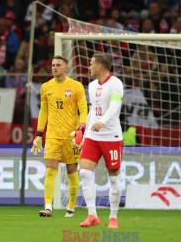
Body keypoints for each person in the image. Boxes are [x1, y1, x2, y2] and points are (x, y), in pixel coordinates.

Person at [30, 56, 88, 218]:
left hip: (71, 137)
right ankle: (48, 207)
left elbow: (83, 110)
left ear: (66, 68)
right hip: (53, 137)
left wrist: (81, 128)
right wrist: (39, 135)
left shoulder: (76, 87)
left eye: (58, 65)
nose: (54, 68)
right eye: (53, 65)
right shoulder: (46, 87)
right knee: (50, 171)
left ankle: (71, 208)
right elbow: (44, 111)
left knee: (72, 172)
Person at [79, 54, 124, 229]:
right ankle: (92, 215)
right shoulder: (91, 86)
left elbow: (114, 106)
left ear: (99, 67)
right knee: (84, 173)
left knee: (113, 178)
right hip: (93, 136)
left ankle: (113, 217)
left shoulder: (116, 84)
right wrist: (84, 136)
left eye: (91, 65)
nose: (89, 68)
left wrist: (102, 122)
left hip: (111, 136)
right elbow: (92, 111)